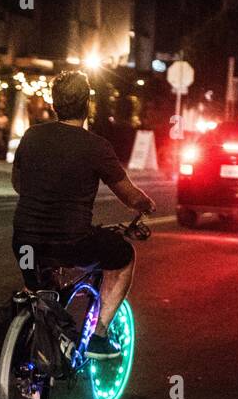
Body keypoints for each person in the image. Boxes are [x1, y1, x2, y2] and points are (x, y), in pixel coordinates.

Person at [11, 70, 155, 359]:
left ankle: (36, 343)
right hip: (72, 242)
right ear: (87, 105)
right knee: (123, 255)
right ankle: (99, 335)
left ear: (54, 104)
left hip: (24, 242)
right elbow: (128, 195)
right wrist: (145, 205)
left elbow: (18, 183)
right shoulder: (96, 146)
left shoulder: (31, 136)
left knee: (39, 286)